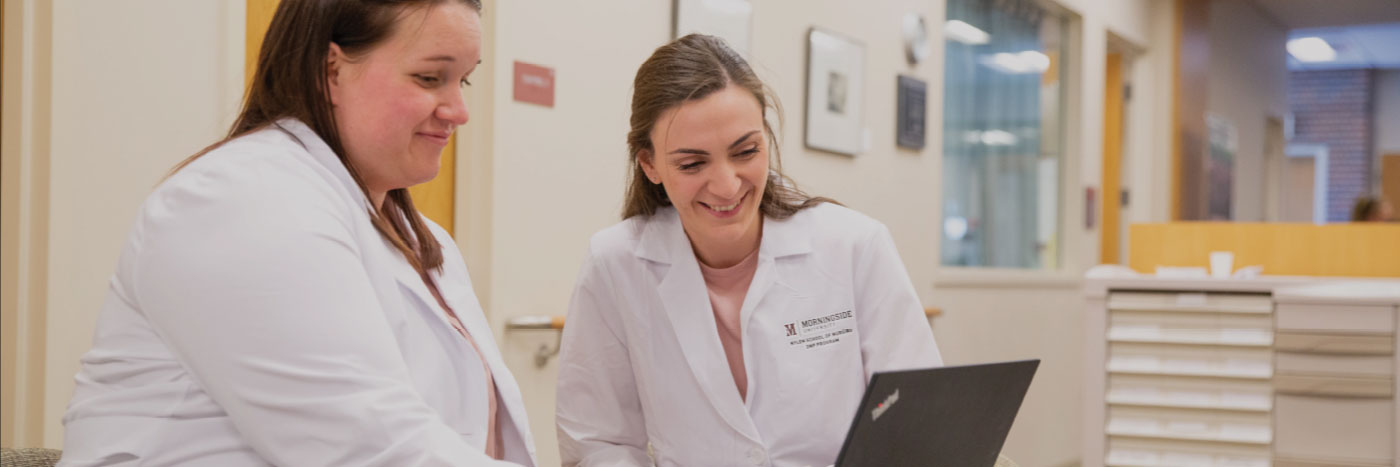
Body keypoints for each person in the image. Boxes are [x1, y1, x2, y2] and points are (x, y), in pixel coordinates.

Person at [58, 1, 535, 465]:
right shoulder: (240, 200)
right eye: (430, 78)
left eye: (464, 80)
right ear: (331, 71)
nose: (459, 110)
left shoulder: (421, 238)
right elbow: (364, 447)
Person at [555, 34, 943, 467]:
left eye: (746, 151)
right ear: (650, 164)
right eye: (692, 163)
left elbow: (919, 424)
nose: (726, 185)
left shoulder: (854, 246)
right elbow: (595, 443)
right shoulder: (616, 263)